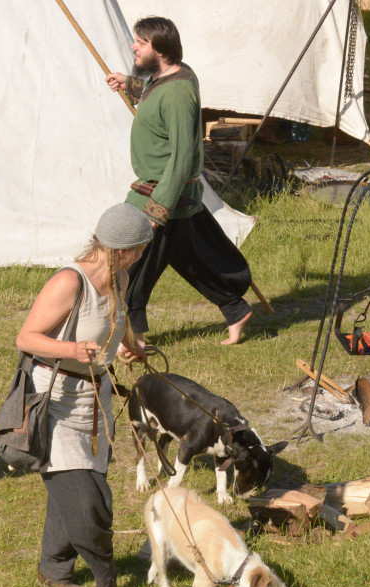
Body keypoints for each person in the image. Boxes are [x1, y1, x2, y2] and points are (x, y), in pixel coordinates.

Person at [15, 202, 151, 587]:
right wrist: (72, 348)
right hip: (54, 402)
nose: (144, 255)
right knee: (89, 500)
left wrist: (132, 346)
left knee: (73, 489)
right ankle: (106, 581)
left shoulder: (120, 276)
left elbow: (118, 320)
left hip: (95, 403)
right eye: (141, 249)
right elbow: (26, 338)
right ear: (120, 249)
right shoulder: (68, 283)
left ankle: (53, 568)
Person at [105, 16, 254, 346]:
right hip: (168, 193)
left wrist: (158, 209)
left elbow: (184, 157)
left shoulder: (177, 94)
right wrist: (130, 84)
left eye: (140, 43)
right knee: (192, 258)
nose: (133, 46)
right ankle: (235, 308)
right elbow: (155, 95)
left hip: (162, 193)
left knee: (135, 260)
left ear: (158, 49)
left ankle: (134, 334)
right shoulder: (172, 75)